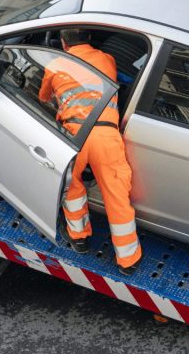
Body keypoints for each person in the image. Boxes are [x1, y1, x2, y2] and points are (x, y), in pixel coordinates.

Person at [38, 29, 142, 275]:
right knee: (116, 195)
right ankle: (128, 260)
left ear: (63, 43)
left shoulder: (55, 65)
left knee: (71, 187)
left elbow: (44, 97)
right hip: (106, 135)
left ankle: (79, 238)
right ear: (89, 39)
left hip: (73, 136)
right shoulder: (107, 59)